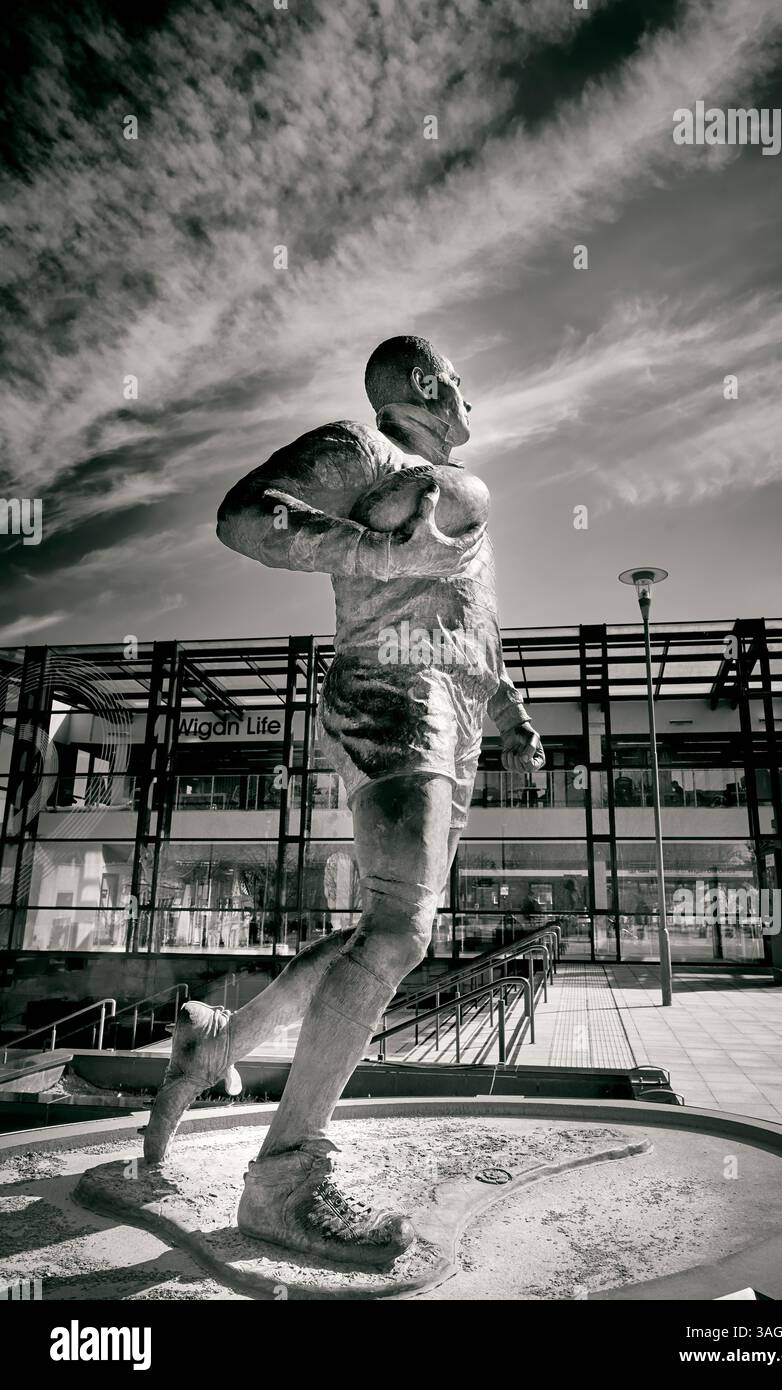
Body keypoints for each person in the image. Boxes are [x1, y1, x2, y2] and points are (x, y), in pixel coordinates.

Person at [142, 335, 544, 1267]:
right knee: (403, 929)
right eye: (462, 386)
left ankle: (219, 1040)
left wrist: (512, 708)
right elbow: (245, 516)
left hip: (455, 704)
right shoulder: (365, 456)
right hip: (392, 692)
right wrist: (366, 545)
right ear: (431, 387)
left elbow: (470, 616)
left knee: (391, 923)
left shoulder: (449, 494)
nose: (471, 402)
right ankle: (285, 1176)